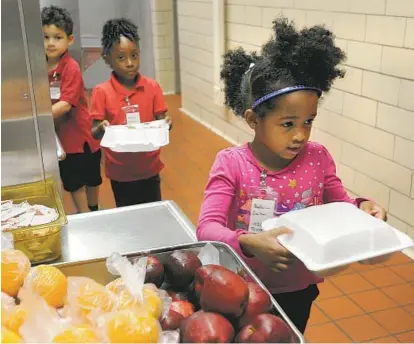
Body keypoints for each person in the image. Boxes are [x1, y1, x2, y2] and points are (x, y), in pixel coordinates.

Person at [197, 18, 387, 334]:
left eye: (308, 121)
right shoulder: (231, 164)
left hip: (299, 286)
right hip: (243, 287)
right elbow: (207, 227)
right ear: (253, 119)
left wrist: (363, 208)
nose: (300, 135)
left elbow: (340, 204)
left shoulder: (318, 157)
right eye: (288, 124)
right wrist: (247, 243)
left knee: (290, 336)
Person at [90, 18, 171, 207]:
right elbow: (94, 132)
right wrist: (102, 127)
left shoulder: (152, 87)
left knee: (153, 211)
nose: (130, 63)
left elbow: (162, 121)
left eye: (134, 55)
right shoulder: (101, 92)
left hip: (149, 168)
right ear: (107, 59)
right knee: (128, 216)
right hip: (120, 172)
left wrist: (167, 123)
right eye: (121, 57)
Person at [41, 6, 102, 213]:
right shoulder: (37, 67)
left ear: (70, 40)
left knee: (92, 178)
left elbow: (66, 104)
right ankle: (85, 215)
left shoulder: (71, 67)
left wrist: (37, 118)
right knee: (74, 183)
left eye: (57, 37)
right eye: (45, 37)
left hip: (81, 136)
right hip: (61, 138)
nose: (50, 43)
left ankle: (93, 210)